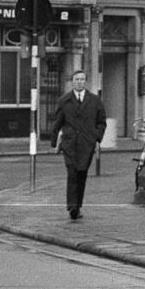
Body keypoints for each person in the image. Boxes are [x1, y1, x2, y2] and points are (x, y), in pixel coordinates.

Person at [50, 72, 106, 220]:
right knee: (72, 173)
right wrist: (54, 142)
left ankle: (78, 205)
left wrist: (96, 137)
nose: (80, 82)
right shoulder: (64, 100)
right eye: (77, 80)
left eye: (82, 79)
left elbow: (101, 122)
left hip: (86, 144)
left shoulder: (95, 100)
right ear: (72, 82)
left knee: (82, 175)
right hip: (69, 144)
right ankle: (73, 207)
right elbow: (57, 122)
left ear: (86, 82)